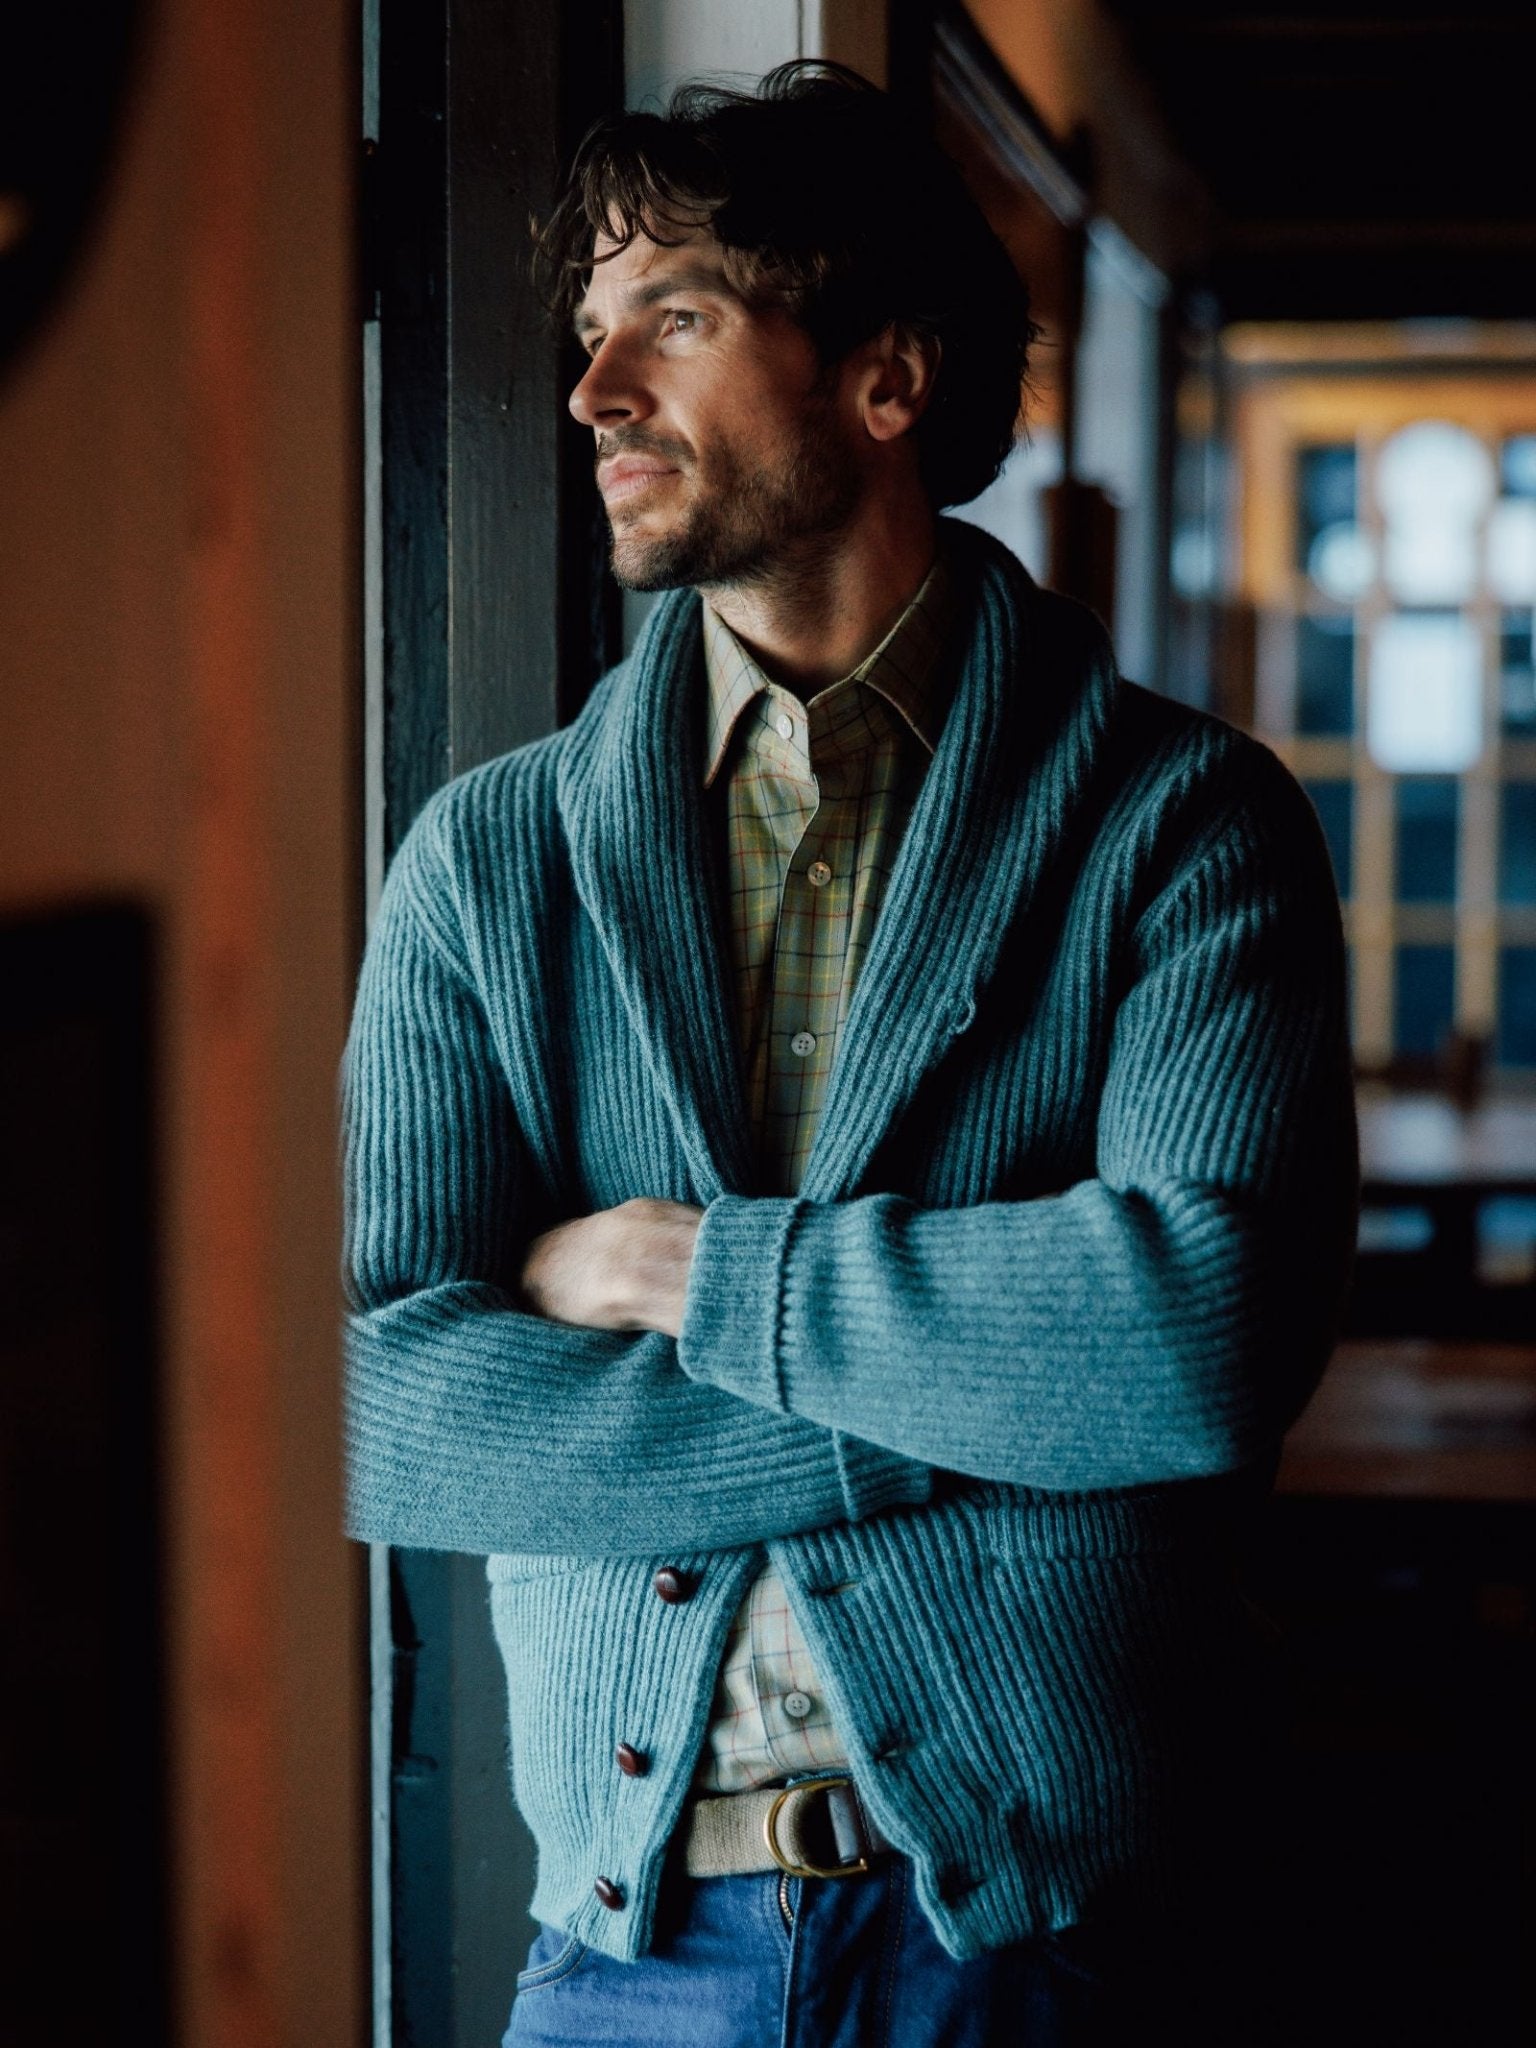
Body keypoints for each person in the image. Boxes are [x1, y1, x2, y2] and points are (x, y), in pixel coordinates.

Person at [344, 62, 1357, 2046]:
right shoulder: (486, 857)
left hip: (1059, 1949)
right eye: (585, 332)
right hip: (629, 1956)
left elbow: (1203, 1338)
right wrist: (1020, 1392)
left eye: (679, 317)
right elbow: (377, 1407)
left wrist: (672, 1271)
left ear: (888, 379)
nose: (594, 392)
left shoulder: (1181, 821)